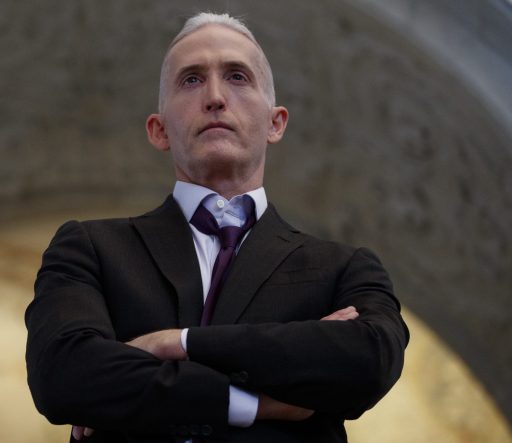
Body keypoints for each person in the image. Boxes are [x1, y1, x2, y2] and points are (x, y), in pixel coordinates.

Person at [25, 12, 408, 443]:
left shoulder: (343, 267)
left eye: (237, 77)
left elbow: (370, 358)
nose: (215, 97)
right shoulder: (90, 248)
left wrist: (177, 343)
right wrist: (254, 404)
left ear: (276, 123)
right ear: (159, 130)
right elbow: (62, 375)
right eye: (191, 79)